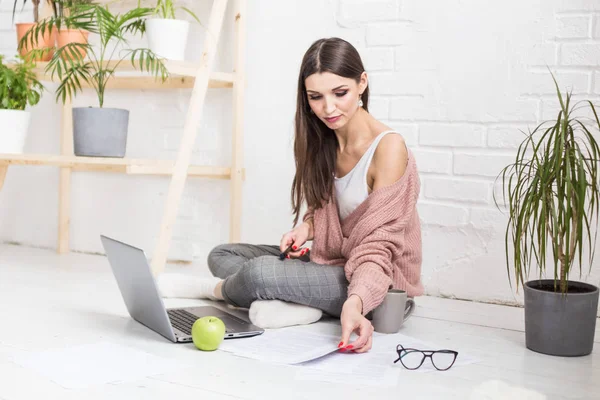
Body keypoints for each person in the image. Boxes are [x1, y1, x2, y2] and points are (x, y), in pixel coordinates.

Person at [158, 37, 424, 354]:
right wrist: (306, 229)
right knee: (223, 255)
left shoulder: (389, 148)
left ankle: (216, 291)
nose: (328, 108)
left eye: (340, 93)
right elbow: (328, 215)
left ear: (362, 83)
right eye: (316, 97)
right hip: (330, 261)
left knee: (258, 274)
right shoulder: (325, 140)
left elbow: (379, 247)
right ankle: (301, 301)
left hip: (376, 277)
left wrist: (357, 300)